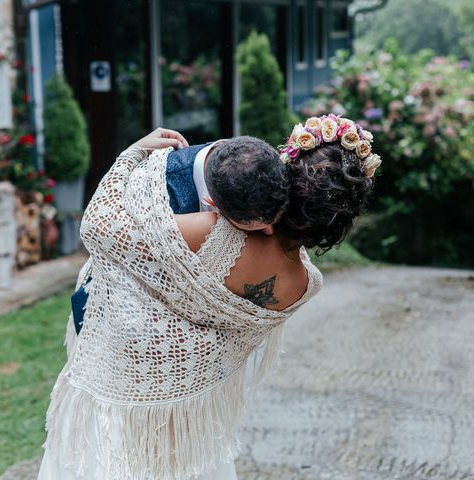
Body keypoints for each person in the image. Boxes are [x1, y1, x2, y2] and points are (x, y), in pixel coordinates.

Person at [37, 114, 380, 480]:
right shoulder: (305, 284)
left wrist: (132, 154)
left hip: (128, 395)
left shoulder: (218, 233)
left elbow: (105, 229)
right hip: (190, 419)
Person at [70, 131, 291, 335]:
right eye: (259, 226)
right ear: (211, 203)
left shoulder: (254, 167)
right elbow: (100, 232)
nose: (270, 232)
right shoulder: (155, 191)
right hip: (120, 321)